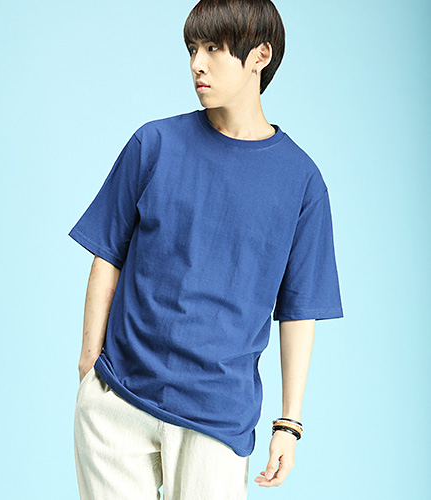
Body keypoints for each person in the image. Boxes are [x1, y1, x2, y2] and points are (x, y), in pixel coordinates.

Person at [68, 0, 344, 498]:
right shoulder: (154, 144)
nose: (197, 63)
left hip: (216, 417)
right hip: (118, 400)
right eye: (193, 48)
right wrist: (90, 370)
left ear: (260, 56)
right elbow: (107, 255)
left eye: (213, 48)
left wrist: (289, 423)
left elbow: (300, 310)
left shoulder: (302, 182)